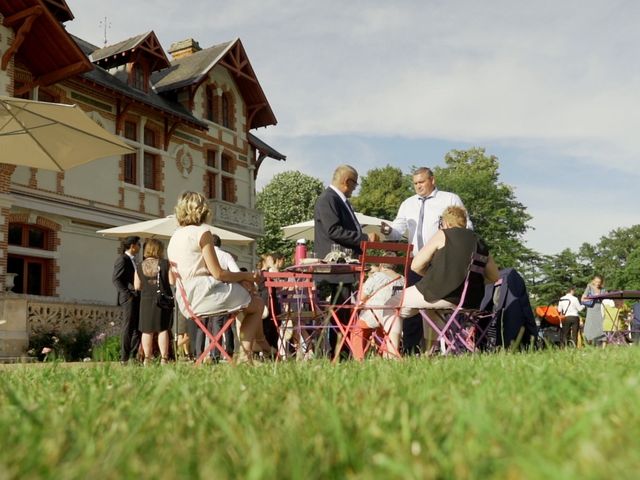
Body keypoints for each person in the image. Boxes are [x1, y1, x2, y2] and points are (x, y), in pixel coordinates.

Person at [383, 206, 499, 356]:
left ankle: (391, 354)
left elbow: (415, 265)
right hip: (470, 300)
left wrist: (433, 275)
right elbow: (495, 277)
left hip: (439, 292)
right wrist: (468, 282)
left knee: (390, 305)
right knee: (431, 310)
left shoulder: (444, 234)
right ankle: (429, 353)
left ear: (446, 223)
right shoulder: (479, 242)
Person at [380, 167, 470, 354]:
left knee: (433, 306)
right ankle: (412, 350)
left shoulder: (449, 199)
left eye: (421, 182)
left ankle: (433, 348)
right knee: (412, 310)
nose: (418, 186)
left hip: (441, 261)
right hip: (417, 260)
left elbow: (465, 226)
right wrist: (388, 231)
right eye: (415, 183)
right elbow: (398, 228)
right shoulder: (408, 204)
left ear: (432, 180)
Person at [167, 191, 265, 362]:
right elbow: (218, 273)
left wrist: (242, 280)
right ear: (203, 210)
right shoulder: (202, 232)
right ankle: (246, 354)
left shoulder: (175, 236)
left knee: (245, 297)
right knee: (256, 304)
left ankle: (251, 349)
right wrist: (249, 276)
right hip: (203, 294)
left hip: (185, 299)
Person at [314, 164, 379, 357]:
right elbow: (333, 230)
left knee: (345, 311)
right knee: (340, 311)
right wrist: (364, 239)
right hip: (335, 267)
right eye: (355, 184)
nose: (355, 188)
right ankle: (338, 354)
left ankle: (344, 352)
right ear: (347, 182)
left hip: (345, 266)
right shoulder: (328, 199)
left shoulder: (338, 200)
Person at [134, 239, 173, 365]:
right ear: (159, 250)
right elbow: (172, 282)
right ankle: (164, 358)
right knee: (162, 329)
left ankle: (147, 358)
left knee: (146, 330)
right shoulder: (165, 264)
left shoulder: (139, 265)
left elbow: (137, 286)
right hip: (162, 300)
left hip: (146, 300)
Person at [112, 236, 142, 363]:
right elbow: (116, 279)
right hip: (128, 298)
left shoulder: (134, 261)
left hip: (136, 297)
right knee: (128, 327)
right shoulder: (123, 259)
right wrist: (127, 294)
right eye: (138, 244)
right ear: (132, 246)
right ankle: (124, 358)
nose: (140, 247)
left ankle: (133, 356)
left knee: (137, 328)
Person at [581, 275, 606, 345]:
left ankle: (602, 348)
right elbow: (583, 299)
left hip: (600, 310)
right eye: (596, 282)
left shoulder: (603, 290)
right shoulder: (589, 288)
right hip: (591, 310)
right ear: (593, 281)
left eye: (599, 282)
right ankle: (588, 345)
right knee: (590, 327)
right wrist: (593, 297)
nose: (598, 283)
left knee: (601, 327)